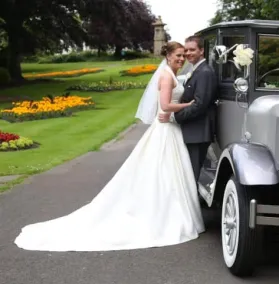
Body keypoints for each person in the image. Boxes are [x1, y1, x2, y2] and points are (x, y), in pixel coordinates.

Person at [14, 41, 205, 252]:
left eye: (182, 55)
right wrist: (189, 105)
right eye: (177, 55)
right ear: (168, 56)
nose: (181, 58)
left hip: (170, 128)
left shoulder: (172, 73)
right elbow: (166, 105)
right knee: (163, 171)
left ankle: (171, 211)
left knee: (170, 173)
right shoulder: (167, 76)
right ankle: (164, 215)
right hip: (166, 130)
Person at [158, 35, 218, 186]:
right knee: (185, 175)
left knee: (190, 176)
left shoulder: (204, 72)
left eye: (192, 50)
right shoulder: (196, 70)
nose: (187, 54)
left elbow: (199, 105)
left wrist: (173, 118)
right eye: (186, 51)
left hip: (198, 132)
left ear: (202, 51)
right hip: (191, 131)